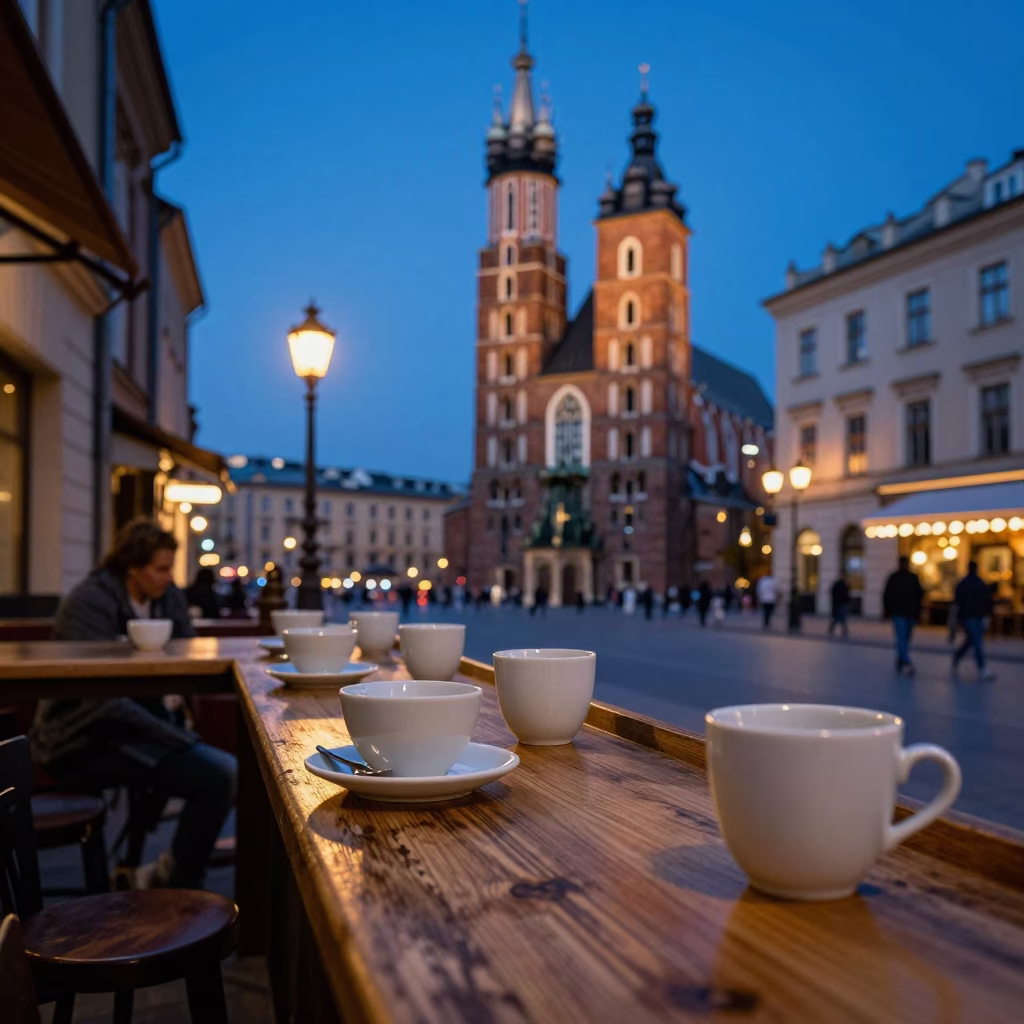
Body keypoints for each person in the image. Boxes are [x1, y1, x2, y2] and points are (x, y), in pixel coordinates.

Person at [31, 518, 237, 889]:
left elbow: (189, 658)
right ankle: (179, 884)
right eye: (160, 569)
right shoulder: (89, 602)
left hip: (140, 729)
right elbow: (95, 698)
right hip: (80, 736)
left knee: (222, 770)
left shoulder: (166, 597)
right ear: (132, 567)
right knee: (219, 775)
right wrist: (178, 738)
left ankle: (164, 875)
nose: (168, 577)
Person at [952, 561, 996, 680]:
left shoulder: (965, 583)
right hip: (973, 617)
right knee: (976, 641)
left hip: (970, 617)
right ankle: (982, 668)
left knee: (972, 640)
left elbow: (956, 604)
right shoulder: (979, 583)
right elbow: (988, 601)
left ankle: (957, 656)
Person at [883, 555, 924, 676]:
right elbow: (887, 595)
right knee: (902, 638)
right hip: (901, 613)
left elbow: (919, 596)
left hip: (907, 613)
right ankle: (906, 661)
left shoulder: (910, 578)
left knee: (905, 638)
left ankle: (901, 659)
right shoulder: (897, 578)